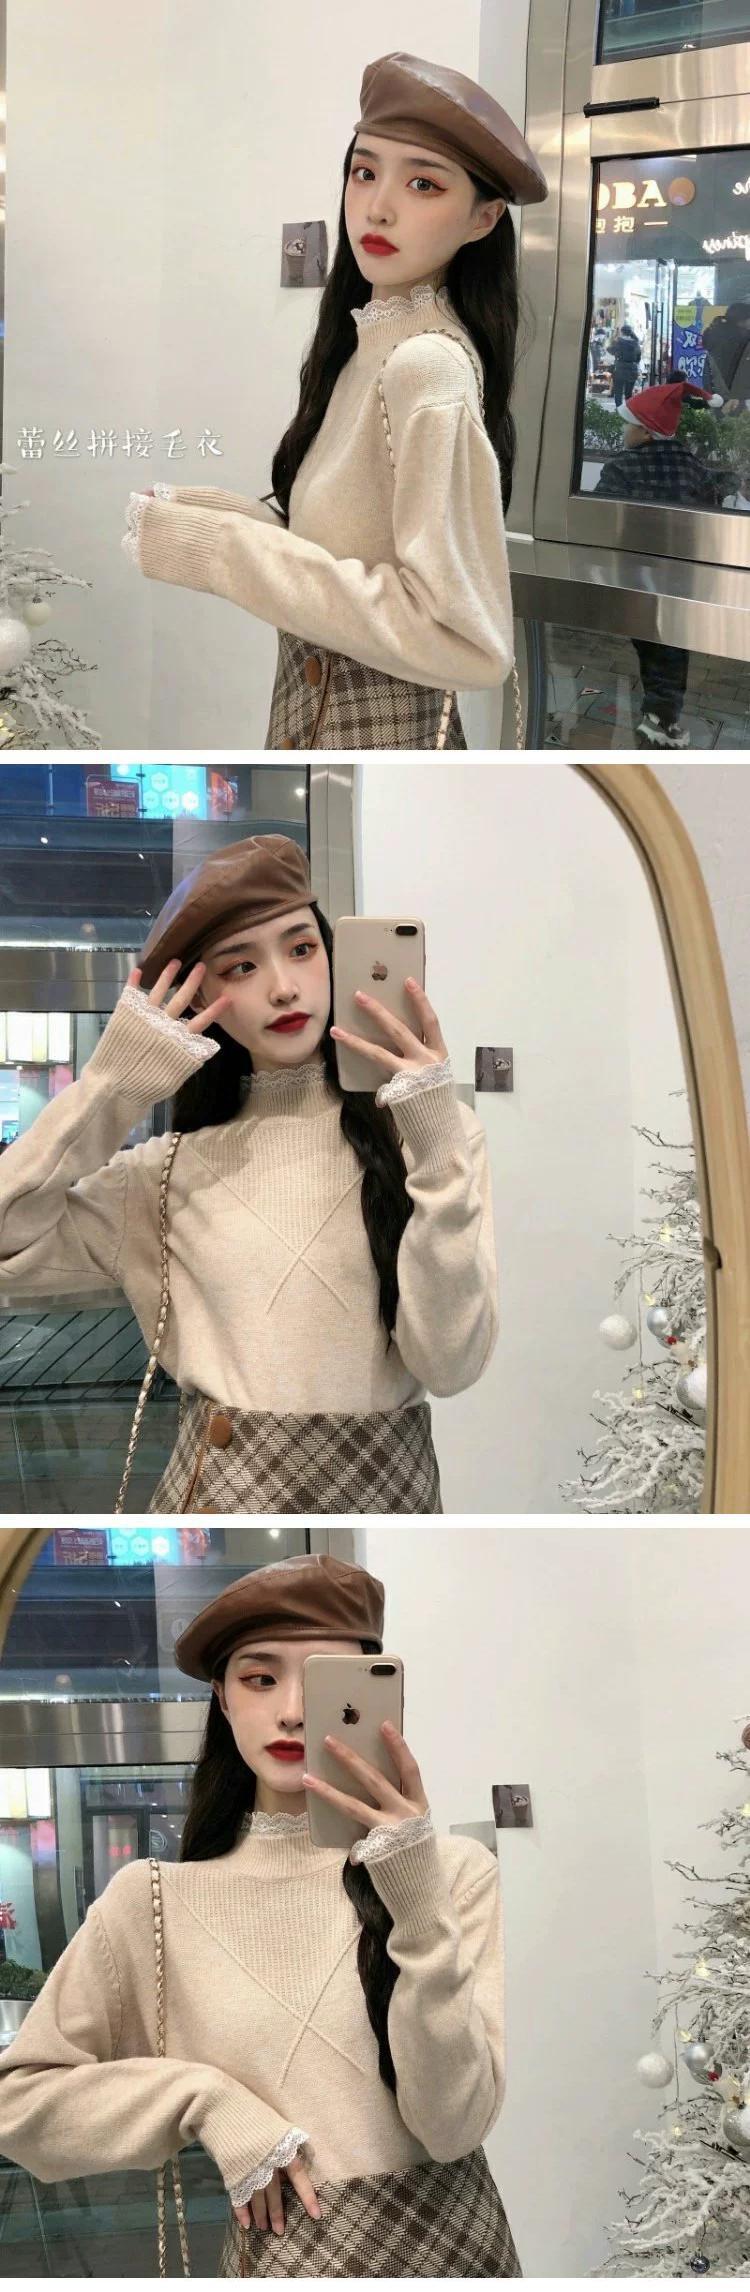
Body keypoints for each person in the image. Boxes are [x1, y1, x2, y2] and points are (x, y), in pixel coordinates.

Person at [0, 1554, 518, 2278]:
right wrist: (205, 2100)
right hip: (286, 2263)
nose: (294, 1710)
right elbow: (19, 2106)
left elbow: (453, 2128)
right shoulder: (154, 1903)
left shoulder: (454, 1874)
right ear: (221, 1698)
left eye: (324, 1682)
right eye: (260, 1678)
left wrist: (415, 1899)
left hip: (456, 2254)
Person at [0, 836, 497, 1513]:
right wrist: (112, 1087)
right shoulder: (161, 1176)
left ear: (333, 955)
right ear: (200, 995)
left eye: (302, 949)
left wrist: (437, 1147)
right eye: (241, 966)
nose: (283, 986)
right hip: (218, 1497)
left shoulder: (433, 1138)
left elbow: (451, 1364)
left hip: (391, 1498)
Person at [121, 53, 547, 750]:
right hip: (315, 724)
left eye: (423, 183)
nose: (378, 206)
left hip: (375, 741)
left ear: (483, 218)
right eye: (365, 172)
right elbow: (341, 548)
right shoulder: (365, 346)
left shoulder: (425, 366)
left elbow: (469, 641)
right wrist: (200, 514)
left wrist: (225, 550)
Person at [593, 379, 730, 749]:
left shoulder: (622, 467)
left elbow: (601, 519)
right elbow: (710, 512)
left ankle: (660, 716)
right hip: (683, 574)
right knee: (672, 645)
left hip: (635, 573)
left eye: (629, 424)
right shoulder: (694, 467)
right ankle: (663, 712)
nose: (624, 431)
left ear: (646, 431)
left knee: (652, 644)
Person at [607, 320, 641, 409]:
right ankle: (627, 412)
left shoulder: (618, 342)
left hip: (620, 369)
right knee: (628, 394)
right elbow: (638, 358)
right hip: (632, 370)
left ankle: (619, 411)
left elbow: (609, 350)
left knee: (618, 392)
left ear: (622, 332)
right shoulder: (636, 343)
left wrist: (614, 338)